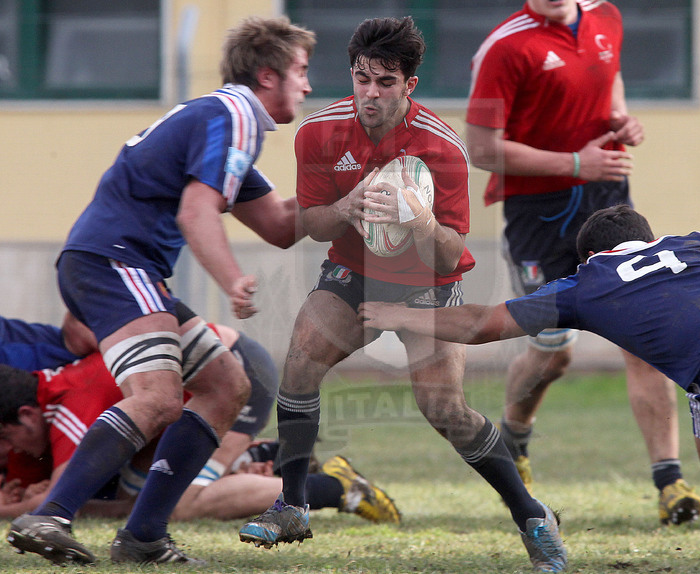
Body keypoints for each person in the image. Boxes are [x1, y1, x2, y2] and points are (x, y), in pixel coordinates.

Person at [236, 16, 567, 573]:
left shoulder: (443, 149)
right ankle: (292, 504)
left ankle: (532, 516)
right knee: (298, 362)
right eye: (362, 78)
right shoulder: (319, 132)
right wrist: (345, 209)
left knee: (445, 410)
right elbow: (314, 226)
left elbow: (448, 254)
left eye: (385, 81)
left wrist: (419, 222)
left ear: (408, 85)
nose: (370, 92)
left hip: (427, 284)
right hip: (353, 272)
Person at [5, 16, 316, 567]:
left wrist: (354, 195)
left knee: (225, 385)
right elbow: (196, 211)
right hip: (115, 263)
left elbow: (280, 224)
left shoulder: (219, 119)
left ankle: (144, 534)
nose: (308, 86)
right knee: (158, 398)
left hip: (118, 266)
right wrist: (231, 282)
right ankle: (50, 516)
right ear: (268, 76)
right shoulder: (236, 114)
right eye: (301, 71)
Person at [361, 204, 700, 537]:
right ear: (650, 237)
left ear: (591, 255)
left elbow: (481, 324)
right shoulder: (697, 242)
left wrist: (398, 313)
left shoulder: (585, 283)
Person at [465, 0, 700, 524]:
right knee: (554, 353)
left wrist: (621, 118)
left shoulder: (607, 18)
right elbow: (480, 149)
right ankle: (515, 438)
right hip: (539, 216)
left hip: (609, 200)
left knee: (645, 336)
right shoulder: (505, 47)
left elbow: (609, 79)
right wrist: (575, 162)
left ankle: (671, 483)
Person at [0, 323, 400, 526]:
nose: (9, 450)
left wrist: (17, 507)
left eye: (6, 439)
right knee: (136, 501)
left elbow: (54, 501)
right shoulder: (48, 396)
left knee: (177, 504)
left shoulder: (72, 406)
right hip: (201, 385)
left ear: (27, 415)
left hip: (235, 372)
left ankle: (339, 488)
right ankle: (256, 457)